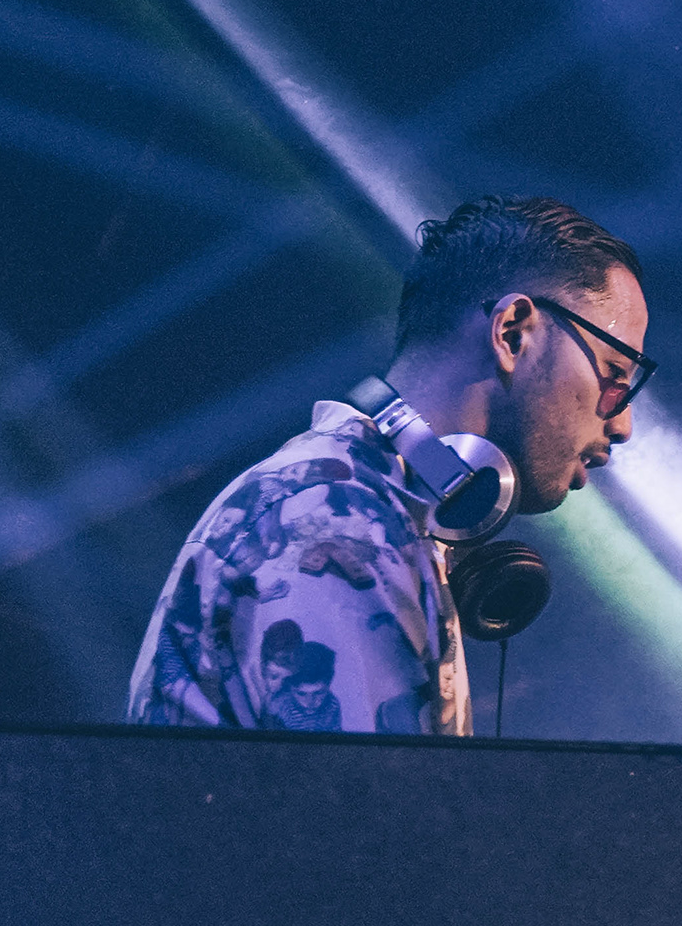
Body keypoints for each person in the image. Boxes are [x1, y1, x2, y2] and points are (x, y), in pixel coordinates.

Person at [130, 197, 645, 734]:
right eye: (615, 374)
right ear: (513, 333)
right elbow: (380, 792)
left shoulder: (370, 511)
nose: (623, 424)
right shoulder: (337, 523)